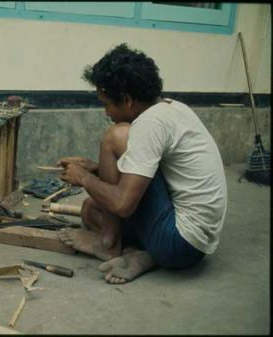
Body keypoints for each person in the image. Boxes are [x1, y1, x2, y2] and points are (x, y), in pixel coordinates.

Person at [56, 43, 227, 284]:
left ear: (126, 100)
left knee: (115, 136)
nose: (106, 112)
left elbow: (123, 205)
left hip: (179, 242)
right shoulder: (172, 108)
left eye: (106, 104)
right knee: (90, 210)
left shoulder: (150, 124)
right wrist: (95, 168)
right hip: (193, 244)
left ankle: (109, 244)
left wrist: (84, 178)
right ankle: (142, 255)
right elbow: (157, 173)